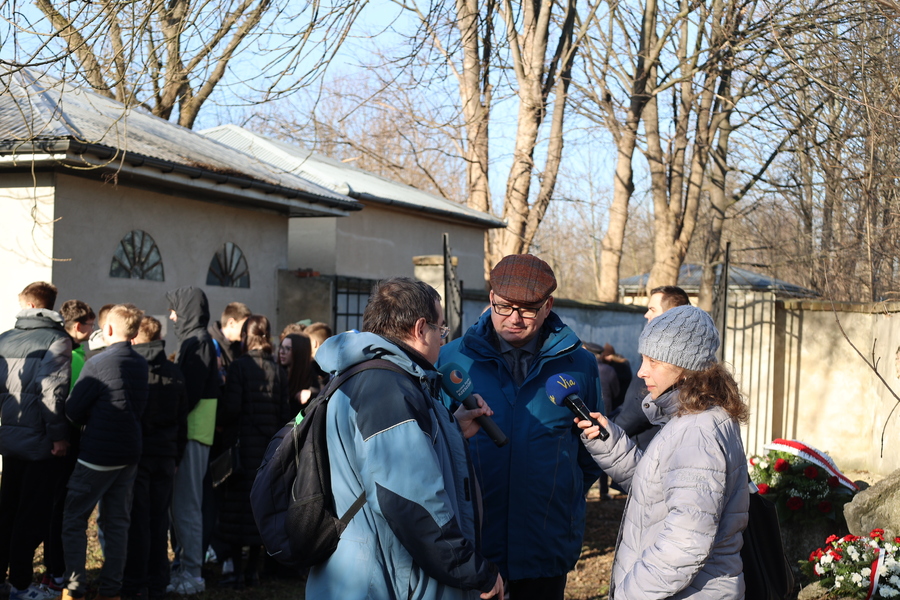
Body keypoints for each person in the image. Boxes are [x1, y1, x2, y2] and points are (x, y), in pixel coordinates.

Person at [306, 277, 503, 599]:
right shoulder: (387, 389)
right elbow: (412, 502)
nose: (442, 340)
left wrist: (451, 429)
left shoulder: (369, 375)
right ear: (420, 328)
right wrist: (471, 569)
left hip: (365, 572)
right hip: (382, 580)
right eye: (441, 330)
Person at [438, 255, 603, 600]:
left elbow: (592, 452)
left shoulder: (581, 365)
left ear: (548, 307)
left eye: (527, 309)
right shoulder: (451, 359)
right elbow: (434, 444)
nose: (514, 318)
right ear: (490, 299)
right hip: (474, 547)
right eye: (503, 306)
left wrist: (560, 496)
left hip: (545, 546)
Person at [576, 305, 749, 599]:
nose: (642, 371)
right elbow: (658, 490)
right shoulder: (692, 417)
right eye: (644, 358)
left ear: (684, 367)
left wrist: (628, 594)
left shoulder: (697, 432)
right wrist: (611, 444)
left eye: (653, 361)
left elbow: (685, 545)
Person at [61, 304, 149, 600]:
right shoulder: (140, 363)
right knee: (117, 524)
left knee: (74, 518)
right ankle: (111, 591)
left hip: (97, 455)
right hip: (128, 454)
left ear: (108, 330)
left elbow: (73, 409)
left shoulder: (97, 363)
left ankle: (74, 589)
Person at [0, 282, 72, 600]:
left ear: (29, 306)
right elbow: (53, 392)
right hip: (41, 443)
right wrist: (59, 437)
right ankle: (20, 583)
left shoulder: (4, 338)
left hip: (9, 437)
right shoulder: (58, 340)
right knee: (32, 516)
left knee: (7, 510)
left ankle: (5, 580)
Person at [217, 315, 289, 589]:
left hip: (242, 446)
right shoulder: (278, 370)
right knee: (259, 508)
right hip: (267, 449)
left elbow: (232, 407)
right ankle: (252, 572)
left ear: (248, 336)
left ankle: (236, 571)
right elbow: (284, 413)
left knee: (236, 508)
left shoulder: (239, 367)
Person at [123, 316, 189, 600]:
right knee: (159, 518)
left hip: (139, 455)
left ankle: (136, 581)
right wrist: (177, 455)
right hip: (164, 455)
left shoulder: (130, 368)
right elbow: (182, 418)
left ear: (136, 337)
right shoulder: (174, 371)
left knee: (137, 520)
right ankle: (158, 582)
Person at [165, 287, 220, 595]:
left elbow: (189, 393)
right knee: (183, 505)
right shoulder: (196, 340)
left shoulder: (196, 342)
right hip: (193, 431)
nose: (172, 315)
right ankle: (183, 567)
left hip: (194, 432)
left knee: (187, 506)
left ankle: (192, 574)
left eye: (175, 309)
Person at [42, 301, 96, 593]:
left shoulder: (60, 349)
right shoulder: (74, 358)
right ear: (78, 327)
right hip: (68, 441)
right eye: (90, 325)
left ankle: (51, 571)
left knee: (55, 506)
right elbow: (74, 406)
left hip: (53, 439)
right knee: (62, 509)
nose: (93, 330)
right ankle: (56, 571)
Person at [614, 285, 691, 451]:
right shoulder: (655, 347)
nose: (646, 314)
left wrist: (610, 430)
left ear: (672, 314)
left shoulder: (672, 354)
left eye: (652, 309)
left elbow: (640, 409)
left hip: (647, 451)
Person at [208, 302, 251, 379]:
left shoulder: (241, 346)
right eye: (244, 326)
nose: (247, 331)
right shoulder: (209, 343)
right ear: (231, 323)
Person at [277, 332, 315, 419]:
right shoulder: (279, 373)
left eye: (287, 348)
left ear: (299, 350)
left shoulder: (312, 376)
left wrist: (311, 394)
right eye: (281, 347)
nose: (281, 352)